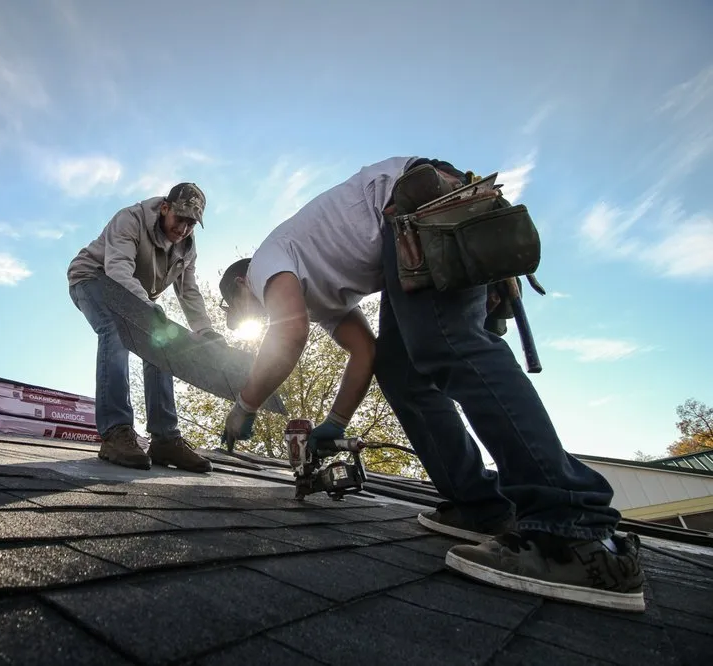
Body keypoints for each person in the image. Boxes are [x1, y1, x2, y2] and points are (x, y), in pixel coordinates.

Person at [216, 156, 645, 612]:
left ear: (245, 281)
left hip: (416, 201)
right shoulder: (319, 287)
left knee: (448, 342)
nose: (257, 310)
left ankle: (573, 530)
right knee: (402, 372)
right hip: (406, 224)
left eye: (243, 303)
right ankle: (481, 504)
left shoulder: (264, 261)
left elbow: (289, 333)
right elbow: (366, 353)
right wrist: (335, 423)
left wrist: (245, 405)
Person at [68, 182, 225, 474]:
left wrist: (205, 330)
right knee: (116, 329)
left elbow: (188, 291)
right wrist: (149, 309)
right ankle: (115, 432)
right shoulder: (130, 219)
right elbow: (117, 270)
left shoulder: (187, 248)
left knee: (161, 338)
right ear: (165, 208)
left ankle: (165, 438)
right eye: (180, 219)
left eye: (191, 223)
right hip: (92, 278)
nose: (183, 229)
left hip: (136, 295)